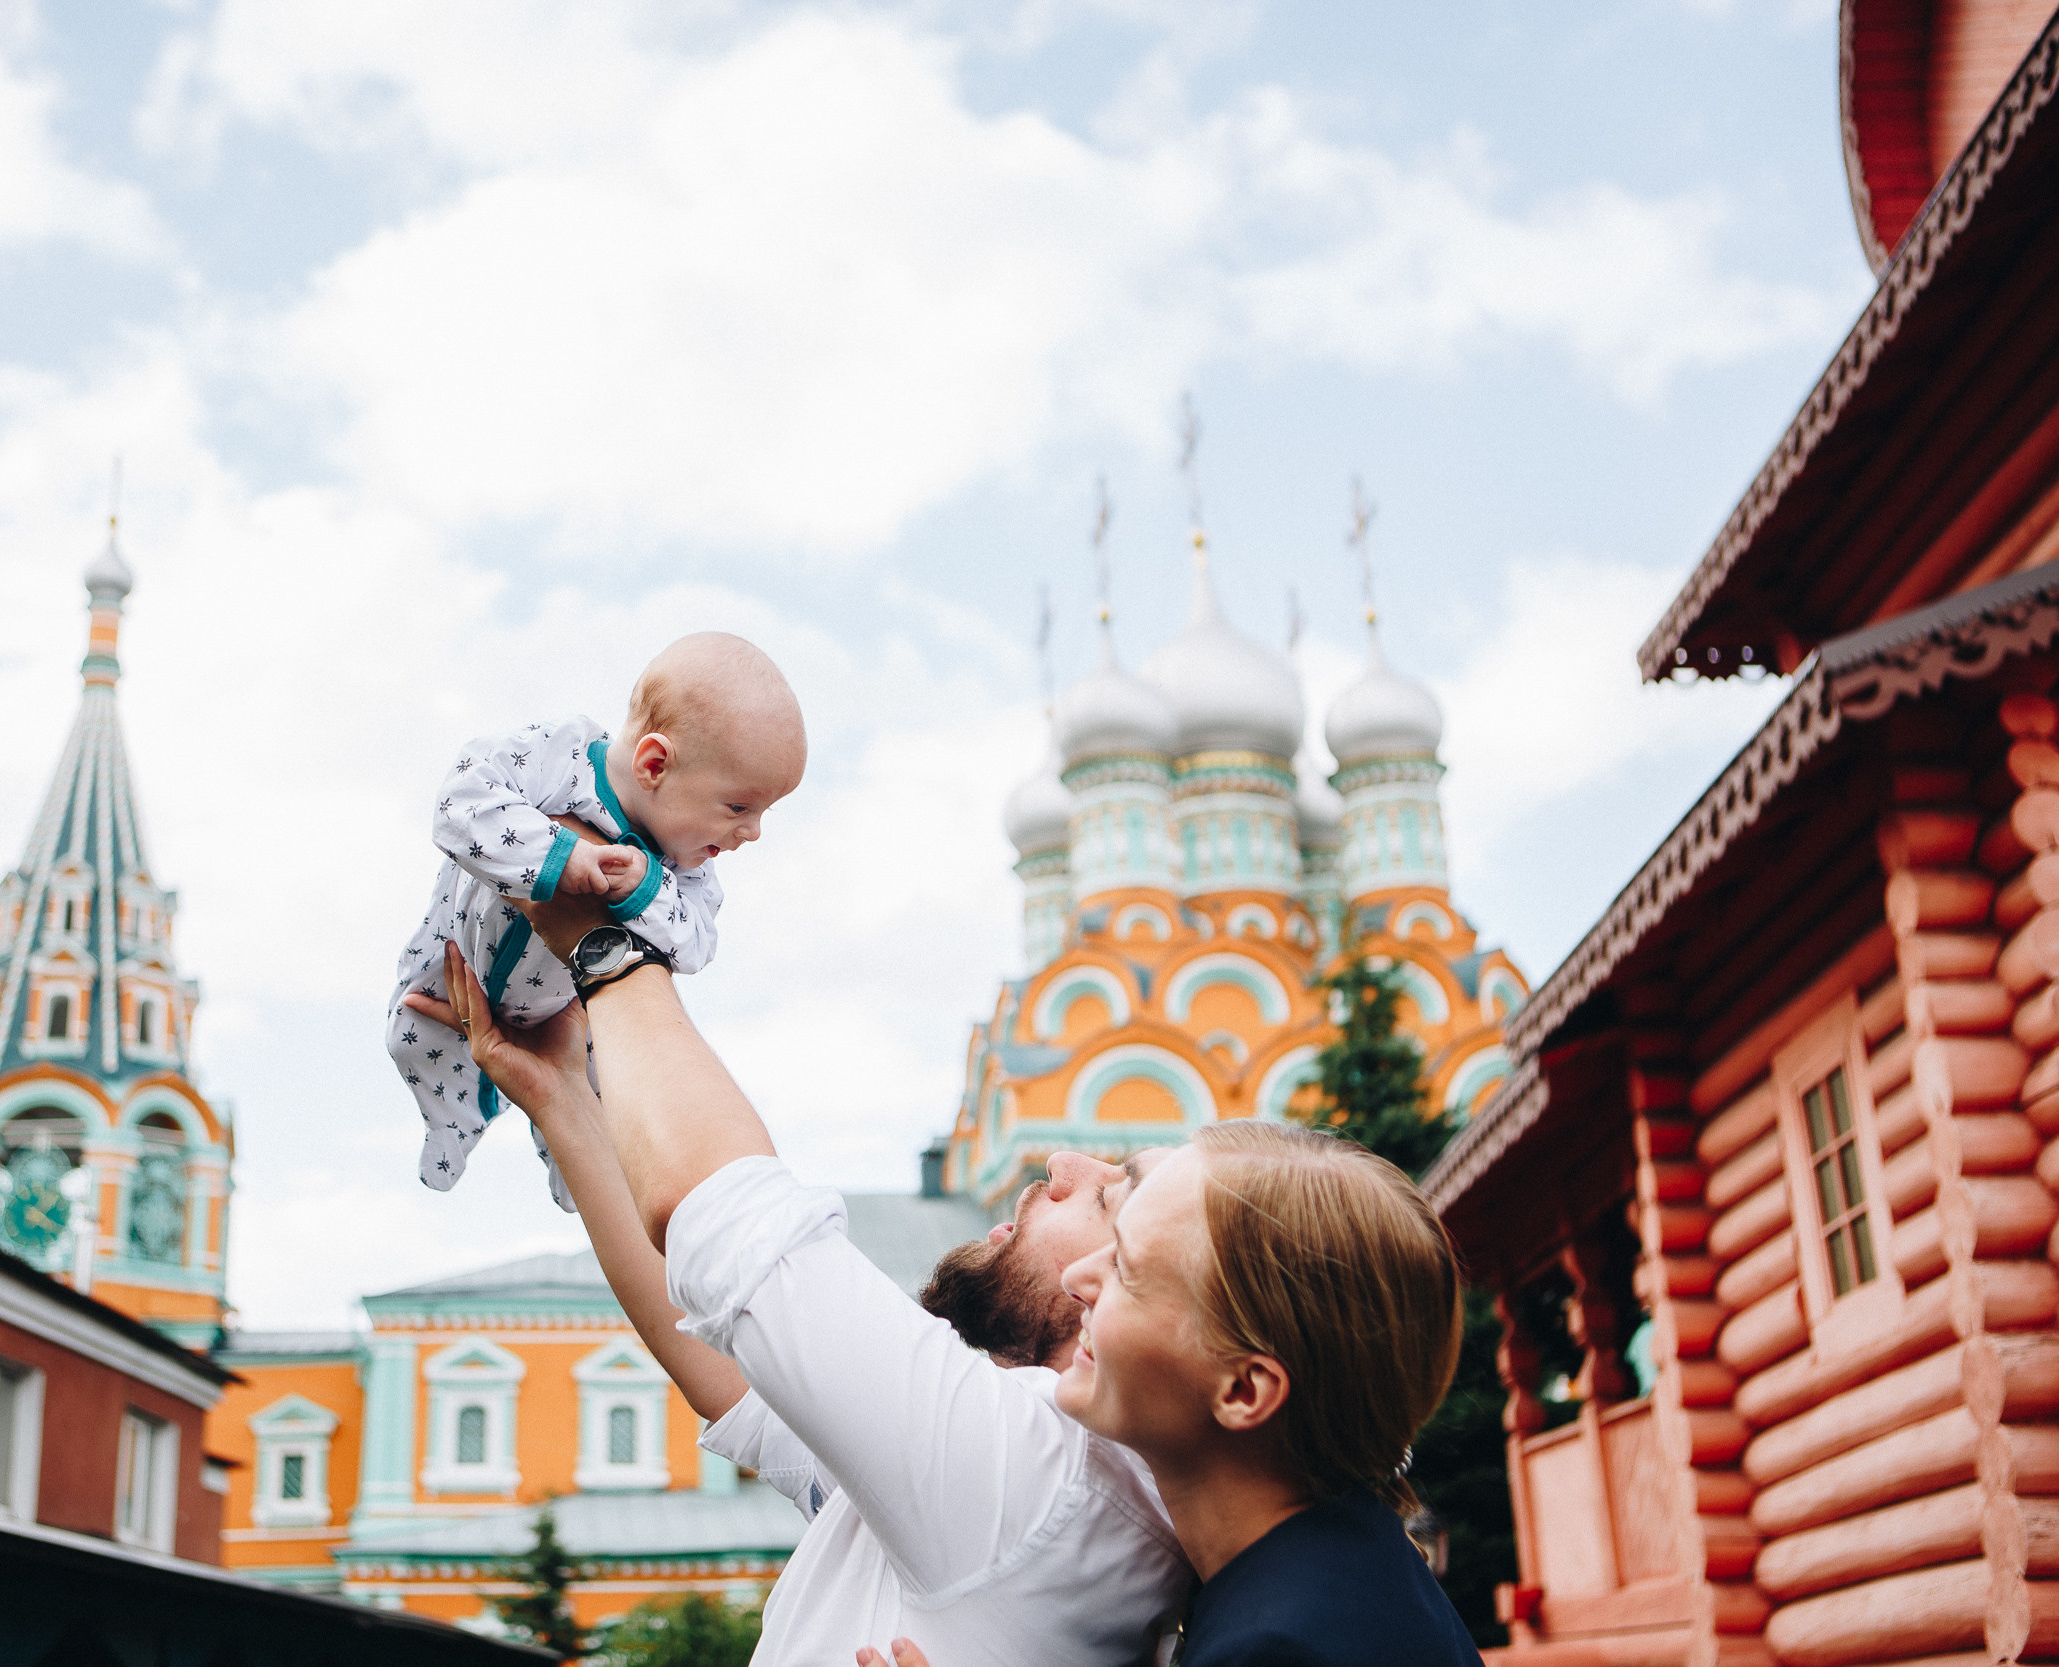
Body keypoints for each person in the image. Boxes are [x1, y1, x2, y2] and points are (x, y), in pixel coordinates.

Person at [405, 938, 1192, 1664]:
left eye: (1111, 1195)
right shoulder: (1014, 1464)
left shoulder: (1041, 1463)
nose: (1062, 1161)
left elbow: (733, 1228)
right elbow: (731, 1370)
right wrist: (563, 1096)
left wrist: (607, 940)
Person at [861, 1125, 1484, 1667]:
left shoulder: (1281, 1646)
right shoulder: (1336, 1572)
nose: (1078, 1278)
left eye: (1127, 1269)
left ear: (1243, 1390)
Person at [386, 632, 805, 1209]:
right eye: (739, 807)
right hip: (457, 957)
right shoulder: (562, 757)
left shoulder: (684, 867)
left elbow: (696, 944)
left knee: (616, 1094)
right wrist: (559, 853)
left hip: (568, 1007)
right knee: (409, 1032)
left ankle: (582, 1182)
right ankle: (453, 1124)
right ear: (655, 763)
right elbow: (460, 801)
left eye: (763, 813)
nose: (752, 832)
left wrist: (645, 889)